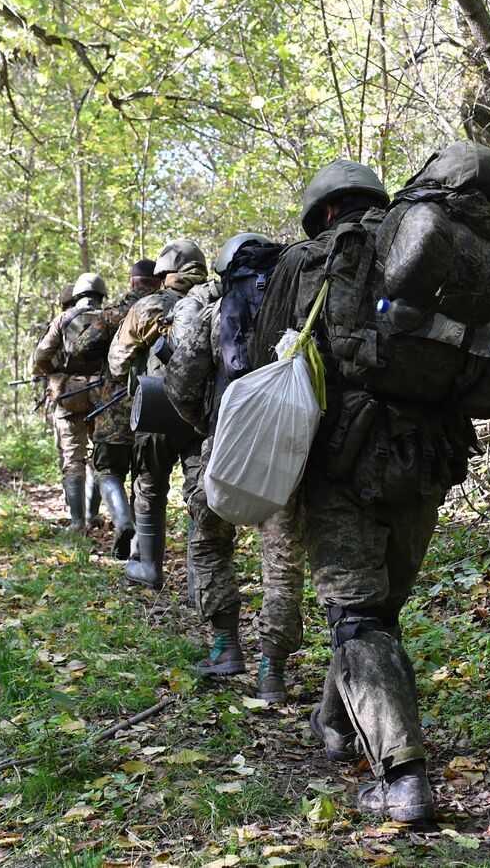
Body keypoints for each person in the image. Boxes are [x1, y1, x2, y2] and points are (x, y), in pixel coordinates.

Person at [249, 160, 476, 822]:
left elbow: (266, 362)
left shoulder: (306, 260)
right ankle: (339, 723)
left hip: (340, 462)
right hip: (427, 457)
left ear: (323, 212)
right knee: (378, 608)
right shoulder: (438, 254)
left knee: (358, 616)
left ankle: (403, 776)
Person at [165, 232, 303, 703]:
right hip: (286, 450)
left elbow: (181, 384)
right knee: (282, 562)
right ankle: (272, 671)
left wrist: (211, 426)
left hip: (225, 445)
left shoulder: (213, 311)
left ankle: (225, 647)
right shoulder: (300, 309)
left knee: (208, 539)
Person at [107, 240, 209, 589]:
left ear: (164, 273)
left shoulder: (150, 305)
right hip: (206, 413)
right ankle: (203, 578)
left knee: (149, 485)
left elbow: (117, 362)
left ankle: (149, 567)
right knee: (202, 492)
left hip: (158, 406)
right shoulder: (220, 299)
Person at [70, 259, 162, 558]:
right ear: (159, 280)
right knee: (146, 476)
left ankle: (123, 522)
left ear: (132, 281)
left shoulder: (116, 313)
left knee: (108, 469)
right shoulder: (173, 307)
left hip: (116, 405)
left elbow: (81, 347)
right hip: (158, 404)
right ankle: (141, 547)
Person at [33, 272, 108, 532]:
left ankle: (77, 522)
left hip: (70, 394)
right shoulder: (111, 317)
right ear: (101, 295)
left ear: (77, 294)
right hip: (104, 394)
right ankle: (92, 516)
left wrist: (56, 373)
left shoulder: (64, 318)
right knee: (98, 456)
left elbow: (41, 355)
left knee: (72, 457)